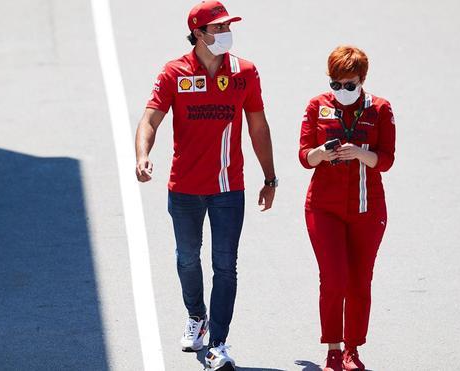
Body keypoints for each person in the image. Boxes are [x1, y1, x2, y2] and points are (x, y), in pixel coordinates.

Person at [134, 1, 277, 370]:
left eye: (228, 26)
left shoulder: (245, 72)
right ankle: (196, 316)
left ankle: (219, 343)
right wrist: (142, 156)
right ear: (198, 33)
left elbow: (258, 126)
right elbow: (149, 120)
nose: (226, 33)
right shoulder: (174, 73)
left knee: (225, 265)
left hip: (230, 189)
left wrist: (270, 177)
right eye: (218, 28)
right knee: (187, 258)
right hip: (184, 188)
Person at [298, 45, 396, 371]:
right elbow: (304, 157)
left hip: (368, 210)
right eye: (335, 84)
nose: (342, 91)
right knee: (333, 278)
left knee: (359, 281)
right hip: (323, 208)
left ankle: (353, 350)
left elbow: (386, 160)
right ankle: (333, 350)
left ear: (362, 80)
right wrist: (321, 154)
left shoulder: (380, 109)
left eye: (349, 84)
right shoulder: (317, 107)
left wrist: (358, 153)